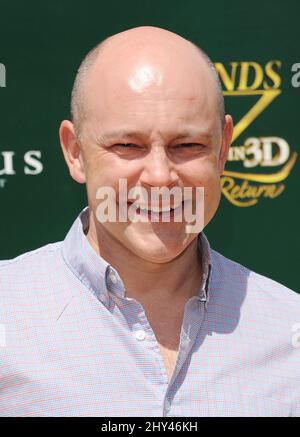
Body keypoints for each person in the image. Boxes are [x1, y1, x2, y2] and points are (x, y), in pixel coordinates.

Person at [0, 26, 299, 417]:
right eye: (127, 145)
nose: (160, 177)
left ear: (224, 148)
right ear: (75, 152)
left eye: (187, 145)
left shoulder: (289, 331)